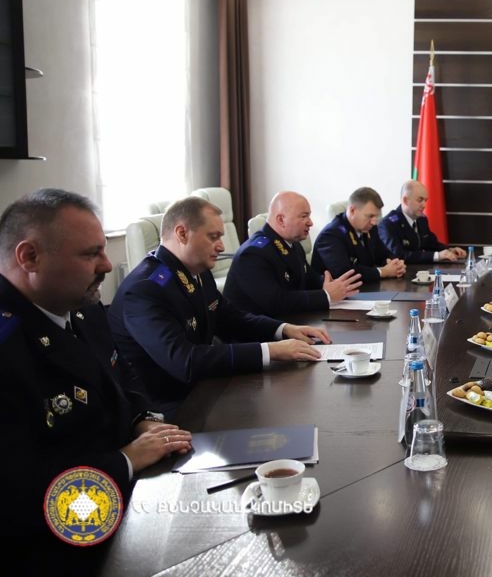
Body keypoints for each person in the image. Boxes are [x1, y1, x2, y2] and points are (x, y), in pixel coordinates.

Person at [0, 189, 192, 572]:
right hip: (63, 544)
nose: (107, 264)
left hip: (128, 501)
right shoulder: (8, 348)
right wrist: (125, 460)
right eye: (91, 254)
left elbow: (122, 380)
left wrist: (142, 420)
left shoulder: (81, 310)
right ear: (29, 257)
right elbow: (18, 502)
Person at [108, 197, 328, 417]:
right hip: (166, 408)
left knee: (294, 403)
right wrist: (271, 351)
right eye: (213, 237)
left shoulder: (198, 272)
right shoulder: (145, 289)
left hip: (202, 387)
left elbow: (233, 319)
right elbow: (185, 361)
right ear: (182, 233)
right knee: (279, 412)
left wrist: (284, 329)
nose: (222, 246)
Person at [224, 191, 361, 315]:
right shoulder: (253, 254)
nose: (310, 223)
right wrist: (326, 295)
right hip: (253, 331)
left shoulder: (293, 244)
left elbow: (309, 278)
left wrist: (331, 284)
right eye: (304, 216)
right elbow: (276, 302)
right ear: (281, 220)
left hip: (288, 321)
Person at [312, 187, 406, 282]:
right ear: (352, 210)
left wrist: (395, 264)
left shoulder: (369, 228)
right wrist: (382, 272)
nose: (374, 222)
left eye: (376, 216)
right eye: (370, 216)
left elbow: (383, 254)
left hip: (367, 287)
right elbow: (344, 272)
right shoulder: (330, 235)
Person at [378, 180, 466, 264]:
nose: (424, 205)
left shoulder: (421, 219)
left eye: (425, 200)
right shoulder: (388, 224)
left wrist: (449, 250)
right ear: (405, 200)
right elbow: (399, 255)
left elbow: (431, 244)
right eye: (420, 200)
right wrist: (436, 256)